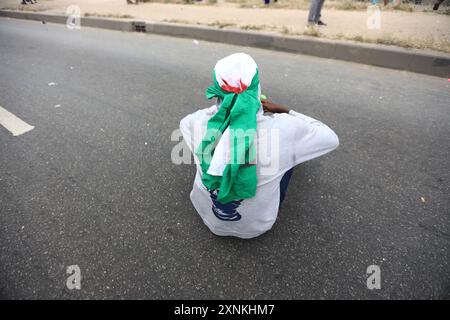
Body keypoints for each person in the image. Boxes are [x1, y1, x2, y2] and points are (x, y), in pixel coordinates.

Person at [180, 53, 339, 239]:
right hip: (257, 227)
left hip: (207, 217)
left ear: (217, 90)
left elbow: (185, 122)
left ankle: (216, 186)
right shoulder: (286, 128)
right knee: (291, 154)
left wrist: (221, 111)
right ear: (256, 89)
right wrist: (285, 110)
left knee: (207, 150)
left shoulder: (196, 122)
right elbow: (330, 138)